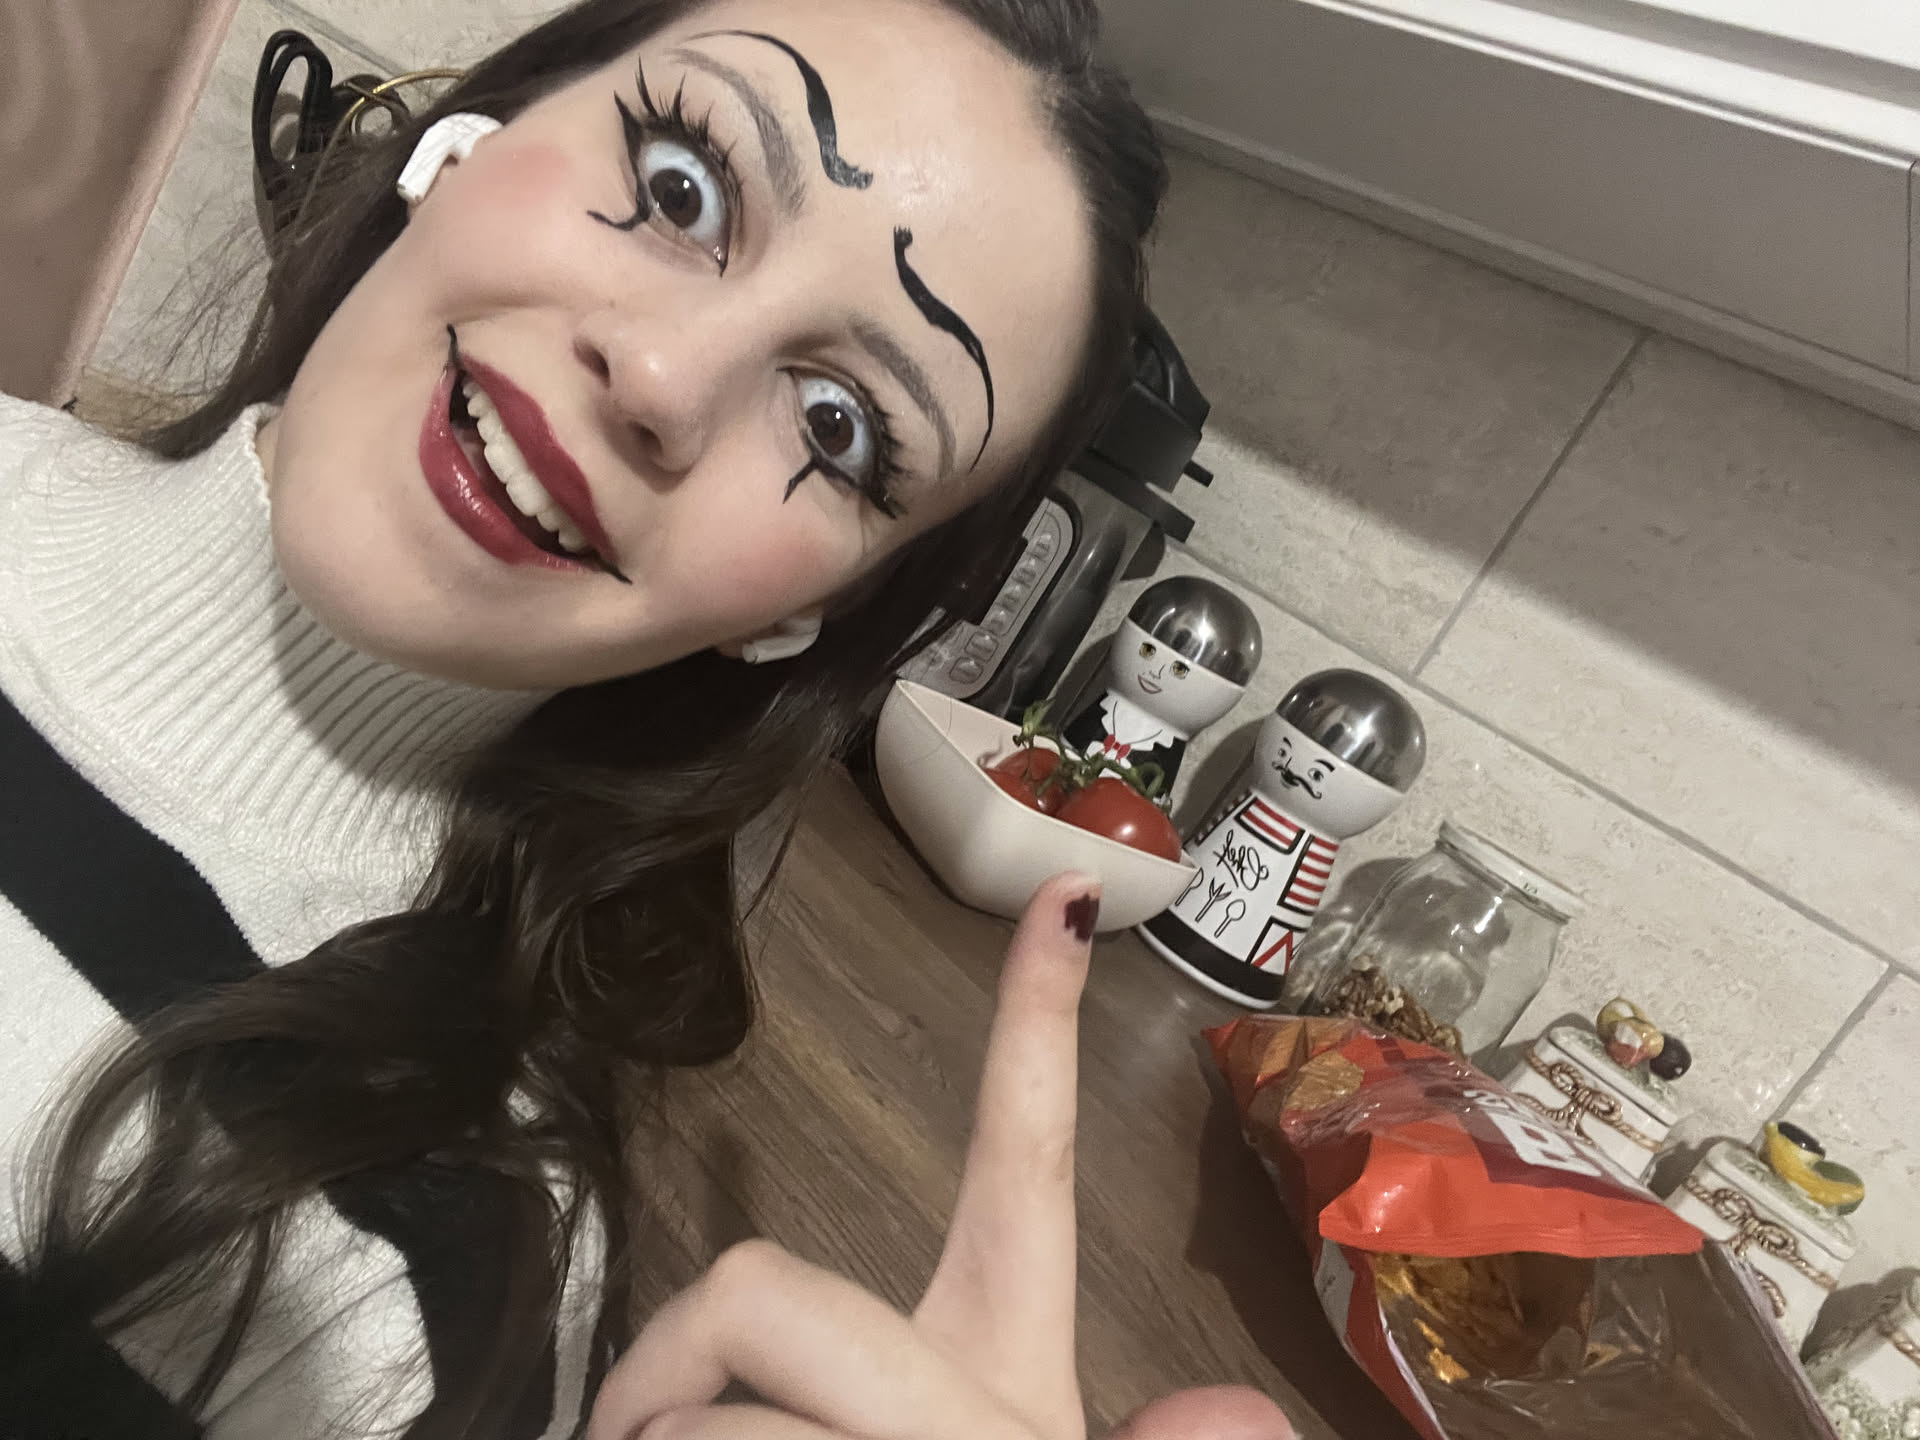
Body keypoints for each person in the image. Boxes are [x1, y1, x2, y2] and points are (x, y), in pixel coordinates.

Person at [0, 1, 1297, 1437]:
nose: (666, 381)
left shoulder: (393, 1293)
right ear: (468, 138)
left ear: (807, 615)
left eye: (839, 427)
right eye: (683, 187)